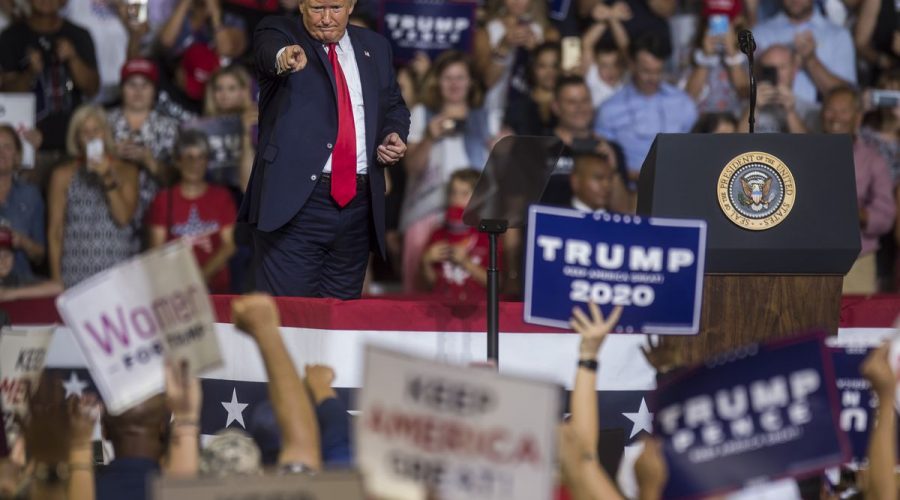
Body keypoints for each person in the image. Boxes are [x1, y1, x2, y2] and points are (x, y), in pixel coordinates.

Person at [241, 0, 410, 299]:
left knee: (338, 329)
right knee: (291, 321)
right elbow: (271, 53)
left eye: (335, 7)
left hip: (357, 210)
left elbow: (394, 104)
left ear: (351, 5)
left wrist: (392, 134)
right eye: (318, 8)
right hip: (296, 208)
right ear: (302, 5)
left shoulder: (376, 46)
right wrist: (285, 58)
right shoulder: (279, 31)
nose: (326, 19)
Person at [401, 51, 493, 292]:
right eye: (447, 78)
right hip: (427, 213)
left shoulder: (486, 118)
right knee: (420, 286)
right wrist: (429, 138)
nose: (454, 84)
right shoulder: (422, 114)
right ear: (437, 82)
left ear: (471, 82)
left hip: (475, 219)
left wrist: (500, 149)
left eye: (460, 77)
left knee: (471, 286)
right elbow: (411, 168)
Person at [47, 105, 140, 288]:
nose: (91, 136)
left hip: (116, 272)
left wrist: (106, 177)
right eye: (84, 131)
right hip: (75, 273)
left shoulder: (127, 171)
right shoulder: (62, 175)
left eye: (96, 129)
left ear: (105, 133)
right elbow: (55, 231)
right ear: (77, 139)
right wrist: (57, 280)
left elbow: (123, 218)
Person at [820, 87, 896, 294]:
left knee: (855, 323)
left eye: (844, 111)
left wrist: (856, 213)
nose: (835, 117)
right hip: (811, 260)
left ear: (858, 116)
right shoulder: (803, 155)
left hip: (857, 262)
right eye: (830, 110)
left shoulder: (874, 160)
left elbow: (886, 216)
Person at [0, 0, 99, 155]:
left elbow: (92, 89)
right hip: (28, 145)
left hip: (73, 145)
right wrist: (29, 73)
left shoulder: (79, 35)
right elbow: (7, 94)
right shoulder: (10, 38)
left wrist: (73, 58)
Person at [595, 35, 698, 184]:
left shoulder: (683, 103)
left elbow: (695, 151)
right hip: (628, 193)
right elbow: (602, 160)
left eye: (658, 71)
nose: (653, 78)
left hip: (678, 186)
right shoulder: (609, 109)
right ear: (631, 64)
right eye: (646, 71)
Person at [147, 130, 237, 294]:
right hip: (175, 291)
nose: (195, 164)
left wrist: (200, 277)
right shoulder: (163, 199)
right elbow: (156, 251)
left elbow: (229, 244)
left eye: (201, 157)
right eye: (189, 157)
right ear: (178, 162)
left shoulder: (221, 197)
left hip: (216, 290)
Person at [752, 0, 856, 104]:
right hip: (770, 114)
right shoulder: (760, 34)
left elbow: (848, 98)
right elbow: (744, 89)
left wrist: (811, 60)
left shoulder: (838, 36)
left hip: (819, 116)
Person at [472, 0, 560, 118]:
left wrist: (536, 51)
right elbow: (487, 82)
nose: (517, 1)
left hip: (537, 113)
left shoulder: (548, 33)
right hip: (496, 110)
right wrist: (503, 46)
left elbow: (554, 80)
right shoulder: (486, 33)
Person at [421, 168, 492, 302]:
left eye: (465, 194)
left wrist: (466, 263)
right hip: (442, 309)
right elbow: (431, 284)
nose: (457, 199)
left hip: (478, 312)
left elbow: (497, 284)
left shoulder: (488, 236)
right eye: (453, 193)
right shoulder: (438, 234)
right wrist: (426, 261)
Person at [107, 59, 179, 187]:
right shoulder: (104, 122)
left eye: (145, 85)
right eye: (132, 85)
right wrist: (111, 156)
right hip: (112, 201)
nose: (138, 91)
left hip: (155, 203)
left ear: (154, 90)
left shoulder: (170, 128)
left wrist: (150, 162)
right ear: (122, 89)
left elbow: (178, 179)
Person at [739, 44, 818, 134]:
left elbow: (809, 145)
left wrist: (790, 112)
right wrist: (754, 108)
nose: (777, 74)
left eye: (782, 67)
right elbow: (737, 143)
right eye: (770, 69)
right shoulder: (745, 107)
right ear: (760, 72)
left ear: (794, 70)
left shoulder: (809, 110)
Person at [0, 124, 45, 279]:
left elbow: (40, 255)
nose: (1, 153)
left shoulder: (30, 194)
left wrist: (22, 242)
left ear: (17, 156)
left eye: (7, 147)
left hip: (21, 285)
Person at [680, 17, 747, 116]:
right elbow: (686, 99)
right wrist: (706, 57)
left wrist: (732, 53)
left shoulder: (750, 50)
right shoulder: (688, 52)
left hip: (737, 124)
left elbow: (748, 95)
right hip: (701, 124)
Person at [503, 42, 560, 136]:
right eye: (542, 66)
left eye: (555, 66)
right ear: (533, 69)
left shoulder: (569, 105)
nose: (550, 72)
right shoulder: (517, 107)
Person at [158, 0, 248, 59]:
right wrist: (184, 3)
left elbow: (226, 49)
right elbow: (166, 41)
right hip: (182, 76)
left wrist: (215, 15)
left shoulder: (232, 17)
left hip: (214, 80)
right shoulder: (183, 15)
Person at [0, 226, 62, 301]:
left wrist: (10, 293)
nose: (3, 261)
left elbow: (58, 287)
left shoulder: (16, 279)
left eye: (7, 255)